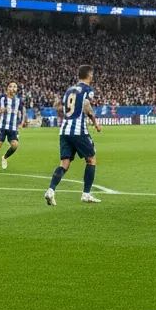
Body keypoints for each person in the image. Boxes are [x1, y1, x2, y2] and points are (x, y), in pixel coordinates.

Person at [45, 65, 103, 206]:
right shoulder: (87, 90)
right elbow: (87, 105)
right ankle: (86, 194)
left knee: (64, 163)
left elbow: (60, 107)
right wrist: (95, 122)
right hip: (78, 130)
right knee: (91, 159)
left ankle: (51, 190)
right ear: (89, 75)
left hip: (64, 130)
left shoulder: (69, 90)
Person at [0, 80, 26, 172]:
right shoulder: (1, 98)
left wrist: (22, 122)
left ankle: (4, 157)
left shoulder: (18, 100)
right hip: (2, 126)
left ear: (16, 89)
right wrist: (0, 110)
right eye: (11, 86)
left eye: (15, 87)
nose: (12, 88)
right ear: (7, 88)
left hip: (13, 127)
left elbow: (22, 111)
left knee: (15, 145)